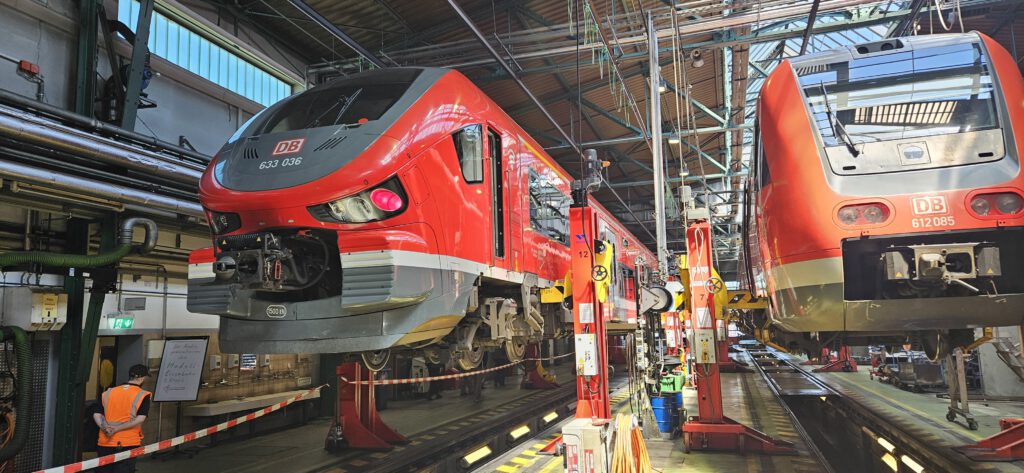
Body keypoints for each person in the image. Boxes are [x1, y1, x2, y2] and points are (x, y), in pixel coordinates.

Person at [93, 364, 152, 473]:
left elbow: (97, 414)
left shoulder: (108, 392)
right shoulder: (143, 395)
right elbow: (140, 419)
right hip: (128, 442)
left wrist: (105, 428)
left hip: (105, 441)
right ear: (141, 378)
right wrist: (116, 429)